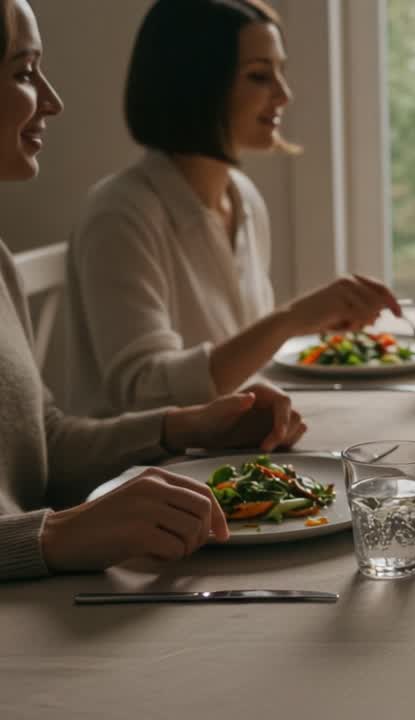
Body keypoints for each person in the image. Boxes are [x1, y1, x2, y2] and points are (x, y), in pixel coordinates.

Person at [0, 0, 306, 580]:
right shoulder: (122, 210)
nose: (53, 101)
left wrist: (187, 427)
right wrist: (54, 535)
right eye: (23, 71)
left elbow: (45, 446)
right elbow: (134, 388)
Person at [64, 0, 401, 415]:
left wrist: (311, 321)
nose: (284, 94)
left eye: (280, 72)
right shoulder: (120, 215)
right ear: (195, 85)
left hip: (232, 445)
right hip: (151, 456)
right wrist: (290, 320)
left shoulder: (244, 199)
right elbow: (144, 393)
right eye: (259, 76)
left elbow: (243, 370)